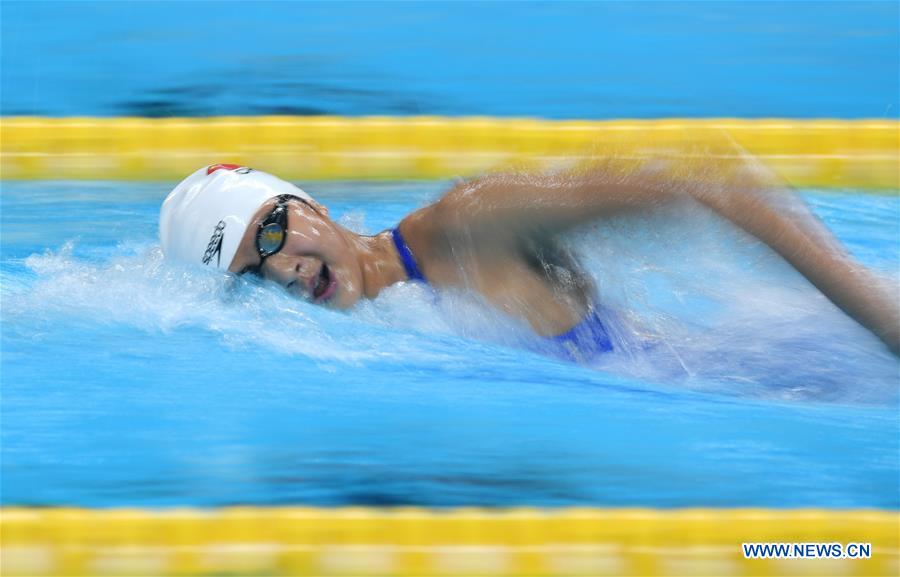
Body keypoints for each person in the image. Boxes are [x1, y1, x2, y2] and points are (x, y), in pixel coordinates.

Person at [159, 160, 900, 360]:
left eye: (271, 234)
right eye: (251, 275)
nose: (281, 270)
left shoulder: (465, 225)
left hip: (801, 370)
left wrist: (880, 321)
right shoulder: (369, 334)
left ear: (310, 206)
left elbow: (701, 177)